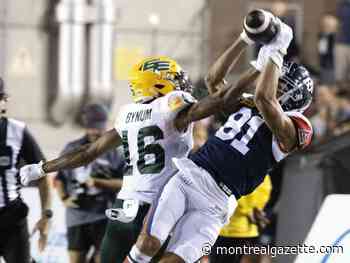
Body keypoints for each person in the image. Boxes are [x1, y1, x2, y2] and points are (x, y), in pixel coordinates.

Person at [121, 13, 314, 263]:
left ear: (297, 98)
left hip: (218, 203)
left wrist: (277, 48)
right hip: (190, 176)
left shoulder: (295, 128)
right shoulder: (248, 103)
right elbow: (213, 82)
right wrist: (246, 40)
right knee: (147, 244)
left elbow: (265, 99)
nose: (275, 84)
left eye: (282, 84)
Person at [18, 53, 246, 263]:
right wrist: (242, 92)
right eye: (173, 78)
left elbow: (89, 152)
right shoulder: (172, 104)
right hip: (160, 209)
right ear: (156, 82)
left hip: (123, 208)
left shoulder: (128, 114)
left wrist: (42, 168)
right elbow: (214, 104)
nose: (180, 83)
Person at [54, 104, 125, 263]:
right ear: (86, 126)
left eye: (98, 128)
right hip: (77, 216)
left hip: (105, 216)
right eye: (92, 127)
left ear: (106, 124)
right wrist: (64, 198)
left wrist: (99, 183)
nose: (95, 132)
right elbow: (59, 179)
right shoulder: (72, 148)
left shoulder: (117, 151)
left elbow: (126, 184)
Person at [0, 78, 52, 263]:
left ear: (4, 102)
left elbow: (43, 174)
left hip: (11, 217)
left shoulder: (17, 131)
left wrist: (46, 216)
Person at [209, 176, 272, 263]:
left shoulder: (238, 167)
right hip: (243, 229)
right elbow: (263, 196)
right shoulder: (263, 173)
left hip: (230, 229)